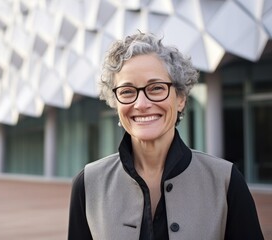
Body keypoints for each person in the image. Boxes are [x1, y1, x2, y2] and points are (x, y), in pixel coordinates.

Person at [68, 32, 264, 240]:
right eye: (127, 91)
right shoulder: (88, 183)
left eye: (156, 88)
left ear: (180, 98)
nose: (141, 104)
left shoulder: (226, 180)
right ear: (115, 103)